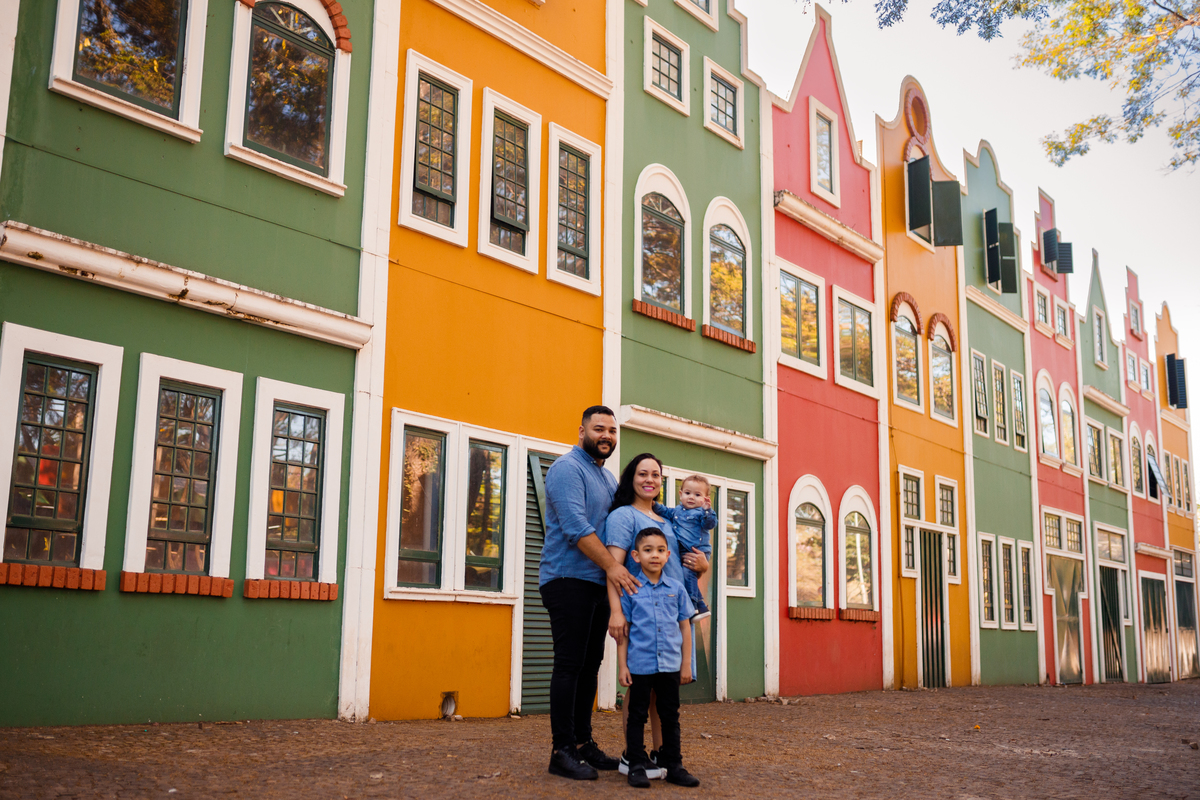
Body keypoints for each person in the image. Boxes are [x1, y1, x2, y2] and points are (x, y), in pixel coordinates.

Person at [539, 406, 641, 781]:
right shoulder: (568, 468)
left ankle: (583, 744)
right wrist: (613, 567)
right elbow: (574, 526)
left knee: (588, 667)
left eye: (612, 431)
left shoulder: (606, 477)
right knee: (569, 665)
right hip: (567, 580)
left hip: (597, 584)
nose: (607, 436)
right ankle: (561, 750)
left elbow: (627, 518)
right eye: (599, 429)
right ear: (581, 430)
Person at [602, 453, 709, 779]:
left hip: (672, 605)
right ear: (631, 477)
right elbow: (612, 568)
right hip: (639, 609)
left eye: (656, 475)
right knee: (639, 688)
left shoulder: (670, 519)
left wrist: (703, 565)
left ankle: (664, 756)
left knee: (664, 692)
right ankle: (631, 756)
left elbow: (686, 559)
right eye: (642, 473)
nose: (649, 479)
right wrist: (617, 612)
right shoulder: (623, 516)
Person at [618, 528, 701, 788]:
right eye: (648, 549)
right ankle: (636, 765)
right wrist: (623, 666)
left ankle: (673, 764)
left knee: (670, 716)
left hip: (669, 666)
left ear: (667, 555)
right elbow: (625, 632)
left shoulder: (676, 589)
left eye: (660, 550)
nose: (655, 555)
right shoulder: (631, 590)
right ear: (636, 555)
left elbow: (685, 626)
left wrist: (686, 663)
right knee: (636, 715)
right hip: (640, 665)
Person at [652, 474, 716, 620]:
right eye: (687, 493)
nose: (691, 497)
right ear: (680, 495)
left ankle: (693, 606)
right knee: (685, 576)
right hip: (683, 550)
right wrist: (653, 504)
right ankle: (701, 606)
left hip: (697, 551)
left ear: (705, 498)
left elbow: (710, 524)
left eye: (697, 495)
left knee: (688, 574)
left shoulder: (701, 513)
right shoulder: (677, 511)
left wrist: (707, 511)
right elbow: (665, 511)